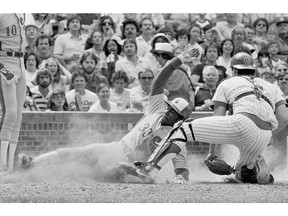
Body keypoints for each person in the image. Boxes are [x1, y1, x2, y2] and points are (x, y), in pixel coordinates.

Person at [18, 48, 200, 184]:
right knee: (77, 153)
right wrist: (179, 60)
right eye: (168, 108)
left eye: (172, 112)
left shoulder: (177, 138)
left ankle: (64, 176)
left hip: (133, 166)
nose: (167, 111)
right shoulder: (156, 110)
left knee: (94, 174)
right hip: (117, 148)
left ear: (179, 119)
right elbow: (159, 81)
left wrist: (180, 178)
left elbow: (182, 168)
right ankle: (33, 163)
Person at [126, 52, 288, 185]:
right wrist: (268, 138)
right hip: (264, 134)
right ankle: (252, 171)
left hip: (242, 123)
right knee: (241, 173)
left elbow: (218, 117)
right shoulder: (272, 86)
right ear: (252, 69)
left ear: (233, 69)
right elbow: (284, 117)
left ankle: (149, 170)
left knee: (181, 130)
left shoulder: (228, 82)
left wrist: (212, 153)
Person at [0, 13, 26, 173]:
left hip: (20, 62)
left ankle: (9, 167)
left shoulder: (22, 12)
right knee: (10, 114)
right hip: (5, 62)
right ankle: (1, 166)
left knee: (18, 116)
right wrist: (2, 69)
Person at [152, 43, 195, 109]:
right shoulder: (182, 66)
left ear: (161, 55)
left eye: (156, 57)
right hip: (185, 102)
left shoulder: (165, 70)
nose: (156, 60)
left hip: (172, 105)